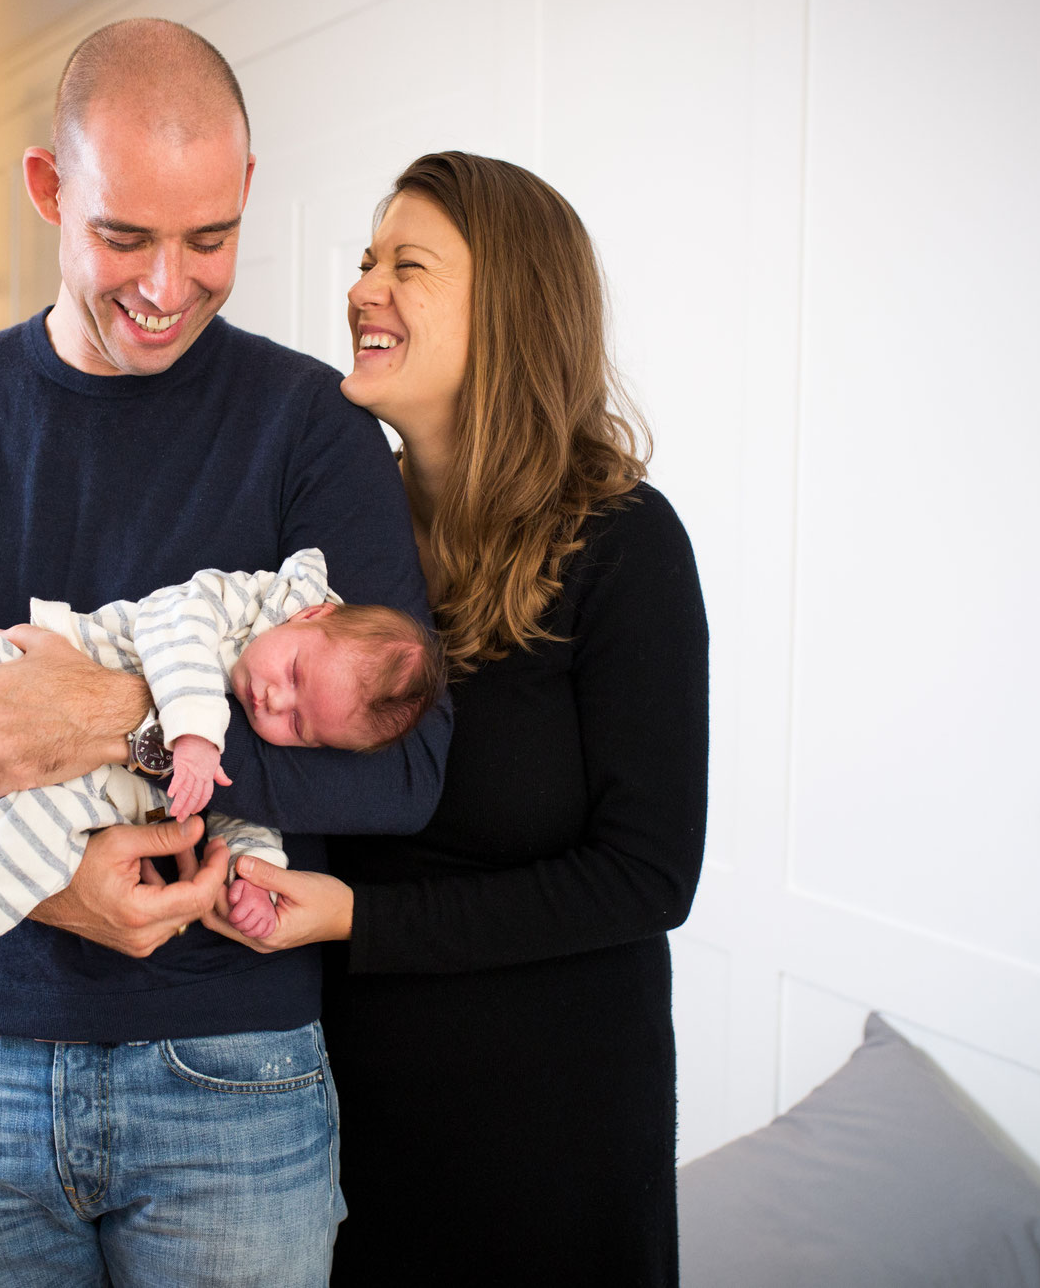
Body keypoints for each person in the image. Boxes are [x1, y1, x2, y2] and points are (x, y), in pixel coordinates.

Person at [0, 19, 450, 1287]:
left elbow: (402, 771)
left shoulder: (313, 429)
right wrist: (34, 882)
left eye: (210, 240)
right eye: (122, 237)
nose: (166, 286)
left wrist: (130, 725)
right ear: (48, 188)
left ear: (247, 188)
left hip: (233, 1079)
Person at [206, 151, 709, 1284]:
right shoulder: (332, 544)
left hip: (547, 1129)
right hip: (335, 1112)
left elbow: (645, 878)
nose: (361, 288)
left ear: (514, 310)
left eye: (407, 263)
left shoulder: (623, 546)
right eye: (365, 258)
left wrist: (356, 922)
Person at [0, 547, 443, 1021]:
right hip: (43, 662)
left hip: (96, 793)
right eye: (296, 672)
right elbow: (172, 622)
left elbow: (244, 814)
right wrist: (192, 733)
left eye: (300, 726)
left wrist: (252, 877)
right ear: (311, 613)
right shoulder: (249, 600)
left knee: (29, 840)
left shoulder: (267, 702)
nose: (275, 700)